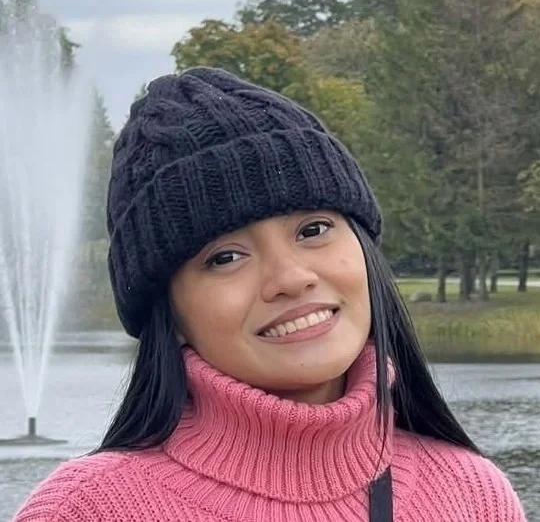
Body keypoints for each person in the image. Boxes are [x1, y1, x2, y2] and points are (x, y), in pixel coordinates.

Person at [13, 67, 526, 522]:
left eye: (313, 229)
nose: (290, 277)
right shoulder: (86, 510)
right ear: (169, 315)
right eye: (225, 257)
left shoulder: (471, 496)